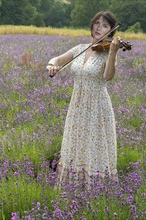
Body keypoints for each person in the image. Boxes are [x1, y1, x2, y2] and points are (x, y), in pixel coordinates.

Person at [46, 11, 122, 187]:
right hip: (77, 106)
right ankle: (73, 188)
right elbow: (57, 59)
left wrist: (112, 52)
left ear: (110, 32)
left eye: (105, 25)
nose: (99, 28)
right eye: (97, 23)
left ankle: (95, 191)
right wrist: (52, 65)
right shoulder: (80, 48)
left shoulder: (107, 53)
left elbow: (108, 76)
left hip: (97, 108)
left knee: (94, 148)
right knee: (76, 145)